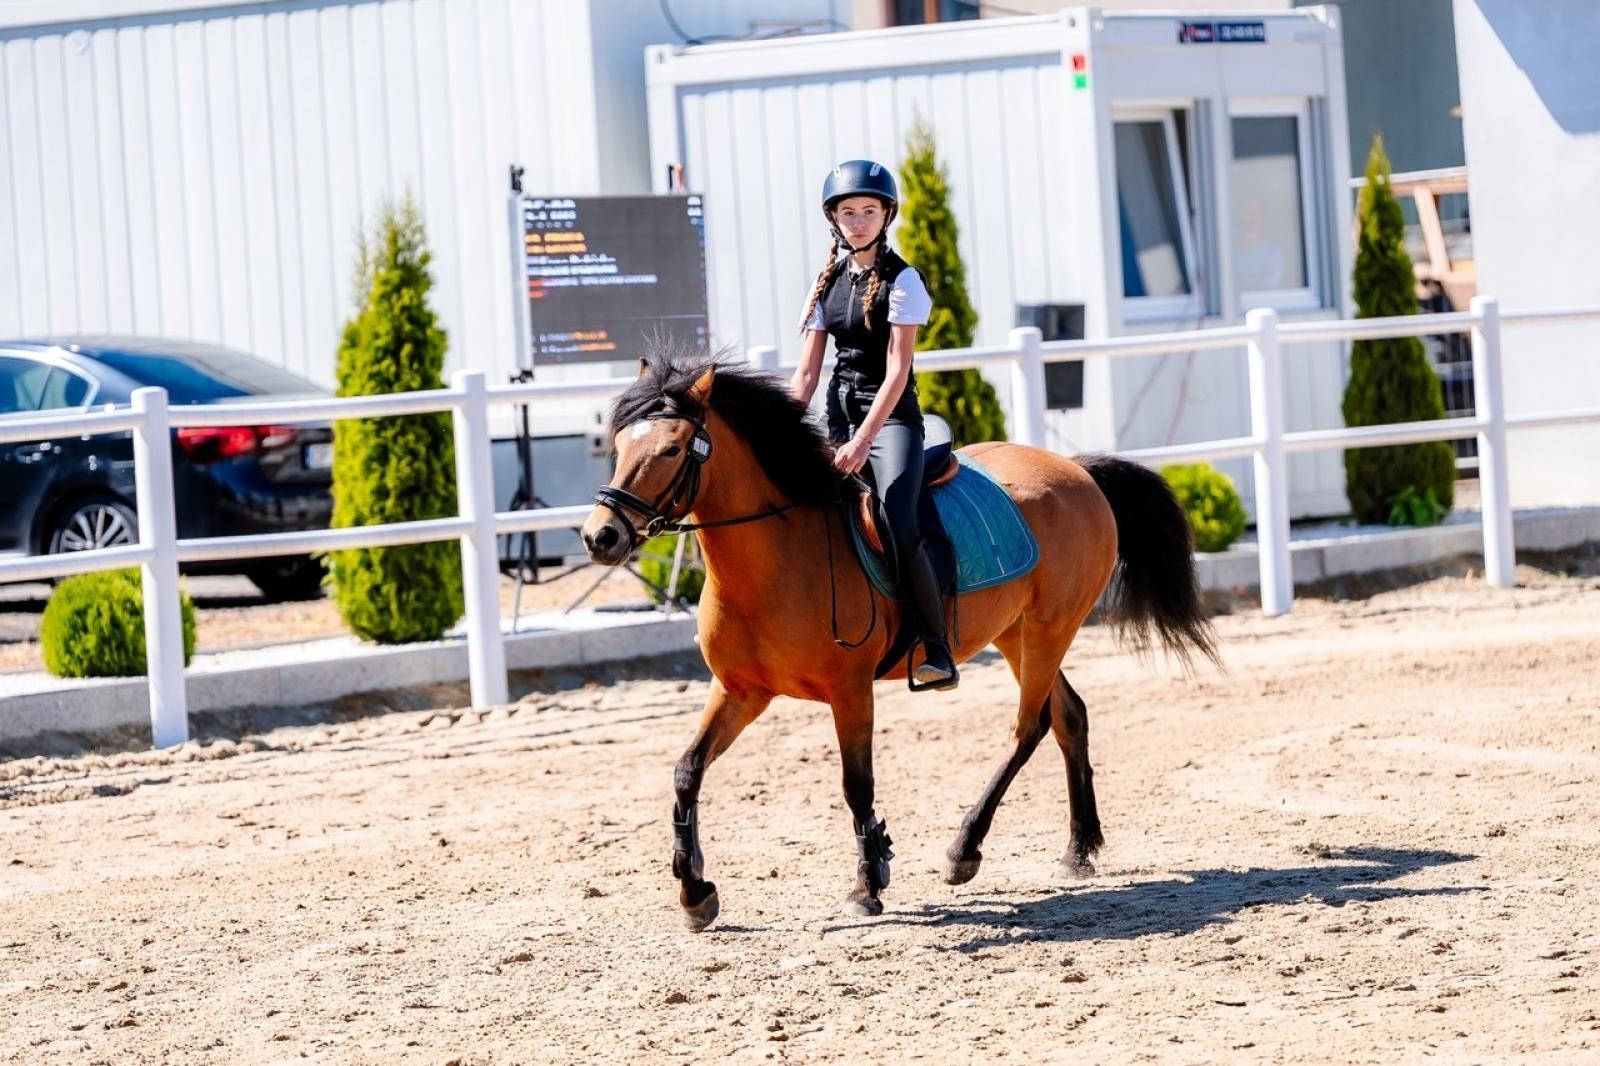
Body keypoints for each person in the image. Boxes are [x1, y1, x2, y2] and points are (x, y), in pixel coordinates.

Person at [790, 159, 958, 691]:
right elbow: (808, 372)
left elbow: (898, 370)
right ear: (833, 220)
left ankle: (936, 647)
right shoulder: (827, 284)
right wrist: (784, 431)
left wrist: (864, 441)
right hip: (836, 421)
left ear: (887, 215)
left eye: (868, 211)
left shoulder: (903, 280)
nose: (858, 221)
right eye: (848, 212)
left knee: (895, 520)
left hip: (889, 425)